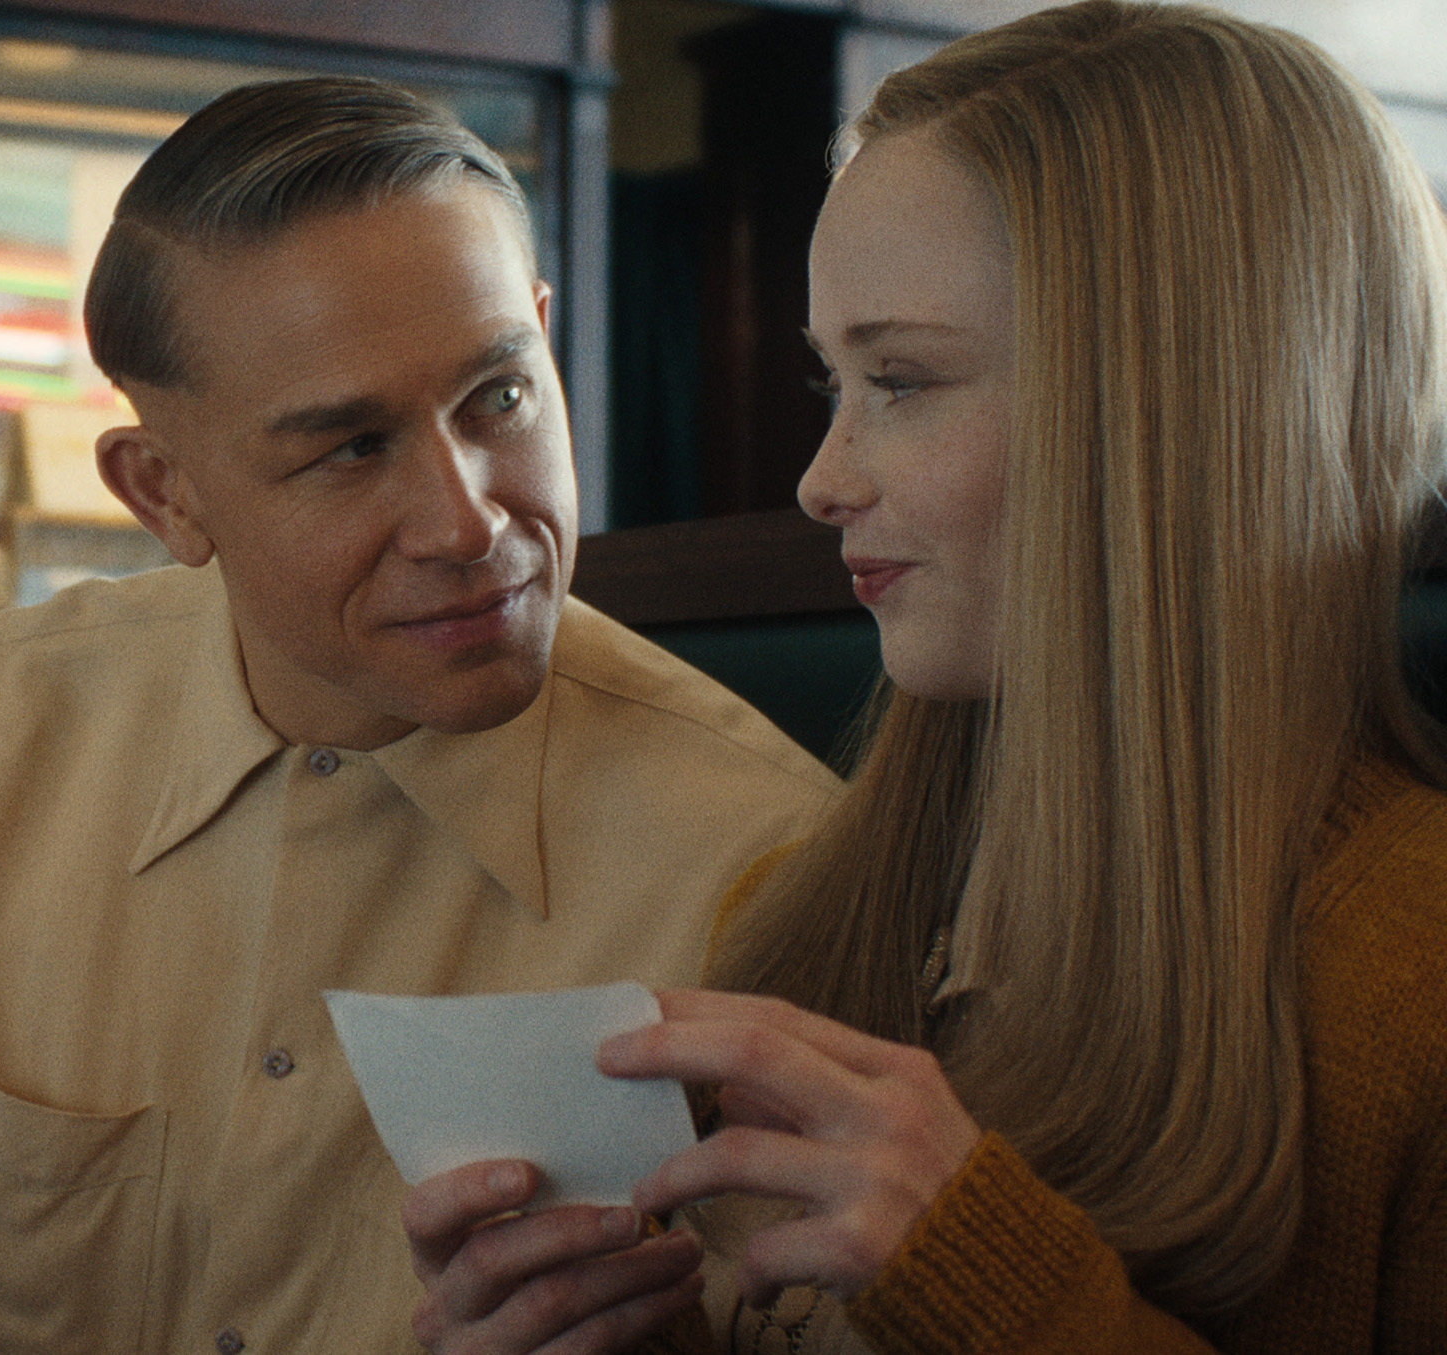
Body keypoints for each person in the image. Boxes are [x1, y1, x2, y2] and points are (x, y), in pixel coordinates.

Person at [0, 78, 838, 1352]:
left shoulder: (773, 862)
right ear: (164, 492)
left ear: (547, 343)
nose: (468, 524)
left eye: (499, 396)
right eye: (347, 448)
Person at [401, 3, 1447, 1352]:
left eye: (900, 377)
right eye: (833, 380)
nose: (821, 480)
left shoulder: (1410, 978)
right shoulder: (798, 908)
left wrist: (979, 1267)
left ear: (1163, 415)